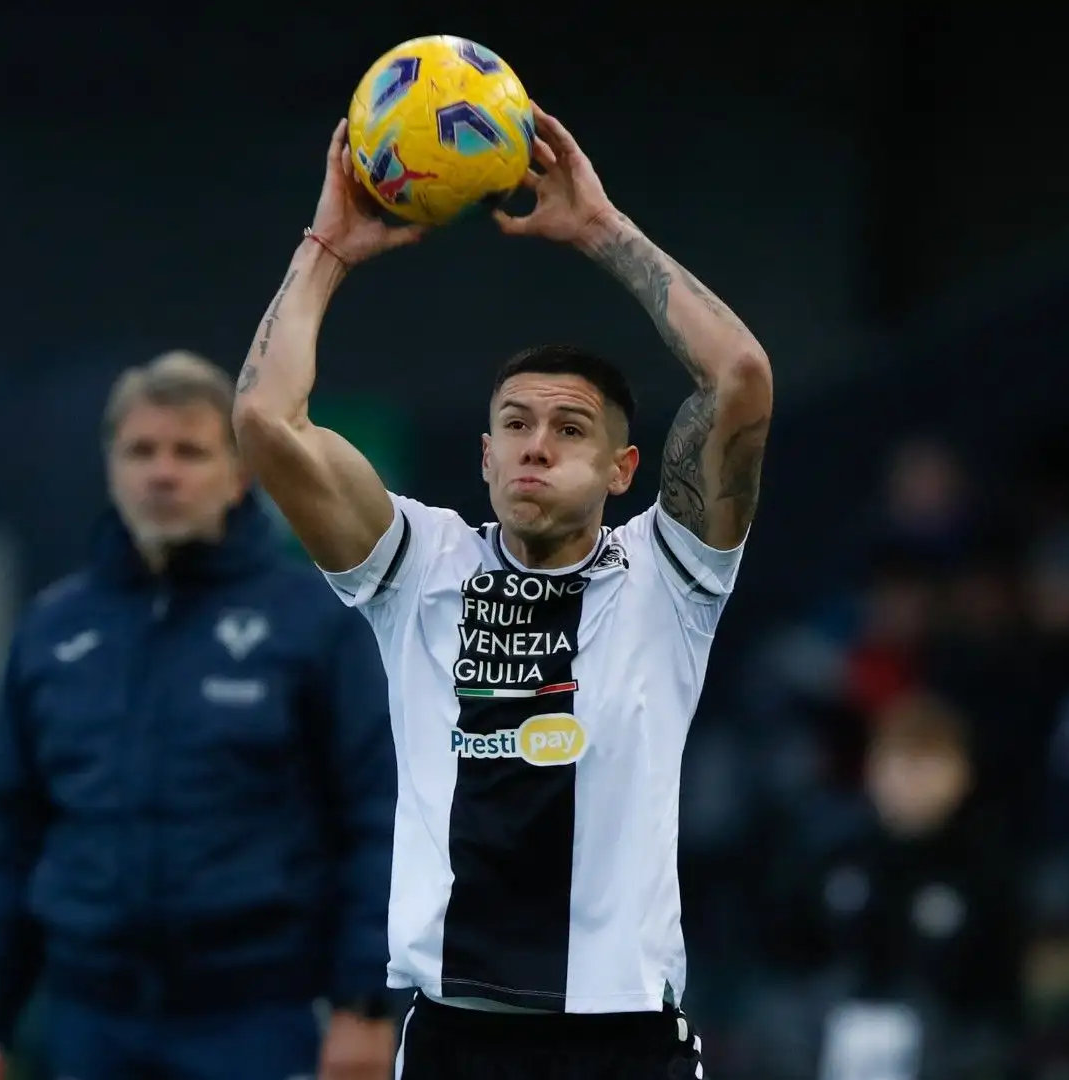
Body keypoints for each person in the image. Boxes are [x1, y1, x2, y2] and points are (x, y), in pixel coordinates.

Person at [232, 106, 774, 1079]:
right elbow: (267, 422)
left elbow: (738, 375)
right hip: (459, 1037)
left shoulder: (669, 574)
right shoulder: (419, 568)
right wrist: (328, 249)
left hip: (623, 1041)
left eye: (570, 430)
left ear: (622, 469)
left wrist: (602, 230)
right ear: (484, 457)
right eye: (516, 425)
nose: (536, 445)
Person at [0, 352, 398, 1080]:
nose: (163, 473)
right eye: (141, 451)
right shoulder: (52, 629)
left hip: (262, 1018)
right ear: (111, 468)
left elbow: (376, 821)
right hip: (90, 1021)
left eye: (189, 451)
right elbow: (11, 843)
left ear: (240, 474)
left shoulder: (314, 621)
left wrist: (365, 1001)